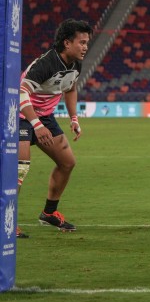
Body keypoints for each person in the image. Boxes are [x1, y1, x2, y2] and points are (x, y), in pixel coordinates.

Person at [16, 19, 92, 237]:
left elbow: (70, 89)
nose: (86, 47)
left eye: (87, 42)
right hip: (20, 114)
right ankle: (6, 222)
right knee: (19, 169)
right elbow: (22, 92)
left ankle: (49, 213)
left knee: (67, 163)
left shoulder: (76, 63)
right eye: (82, 42)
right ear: (67, 43)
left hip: (45, 117)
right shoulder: (47, 63)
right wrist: (36, 125)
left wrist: (74, 118)